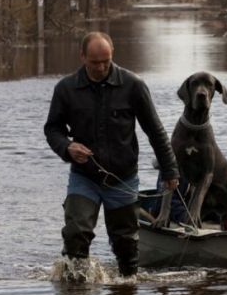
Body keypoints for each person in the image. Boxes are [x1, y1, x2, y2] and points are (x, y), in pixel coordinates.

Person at [44, 31, 179, 277]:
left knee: (125, 244)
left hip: (123, 178)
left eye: (106, 60)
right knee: (76, 233)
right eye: (95, 62)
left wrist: (170, 169)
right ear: (82, 56)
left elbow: (155, 130)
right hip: (84, 177)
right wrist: (67, 147)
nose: (101, 67)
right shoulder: (66, 89)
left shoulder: (133, 85)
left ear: (112, 55)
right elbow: (52, 129)